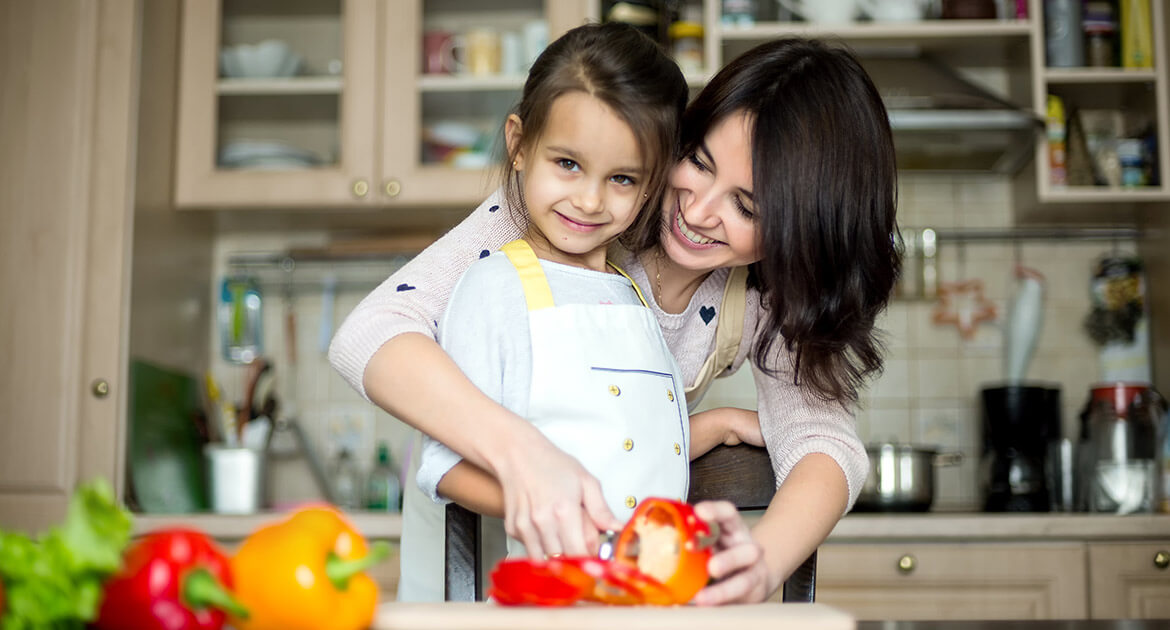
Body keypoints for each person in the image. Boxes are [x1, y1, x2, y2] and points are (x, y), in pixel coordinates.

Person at [330, 35, 899, 604]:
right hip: (475, 545)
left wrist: (761, 561)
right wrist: (525, 456)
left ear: (802, 232)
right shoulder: (563, 215)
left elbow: (824, 444)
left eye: (746, 206)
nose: (698, 212)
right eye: (697, 162)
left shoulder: (761, 298)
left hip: (604, 562)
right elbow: (371, 331)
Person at [415, 21, 764, 573]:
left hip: (651, 591)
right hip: (550, 592)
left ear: (652, 184)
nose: (590, 200)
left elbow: (626, 446)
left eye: (622, 178)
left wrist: (719, 424)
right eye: (568, 164)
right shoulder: (495, 289)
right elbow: (445, 466)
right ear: (519, 146)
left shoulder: (629, 294)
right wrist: (549, 507)